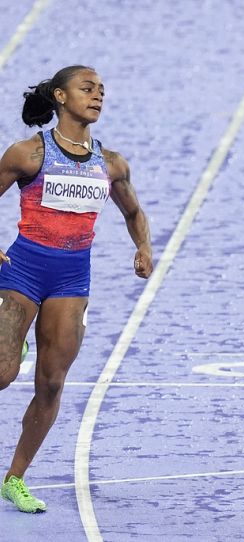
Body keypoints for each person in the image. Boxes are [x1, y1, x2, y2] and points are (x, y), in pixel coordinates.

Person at [0, 65, 153, 513]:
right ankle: (15, 346)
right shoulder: (29, 154)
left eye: (102, 90)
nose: (97, 96)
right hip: (22, 271)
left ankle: (14, 479)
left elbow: (133, 212)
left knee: (51, 384)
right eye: (87, 89)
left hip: (71, 280)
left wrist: (143, 247)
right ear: (60, 97)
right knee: (3, 373)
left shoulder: (111, 164)